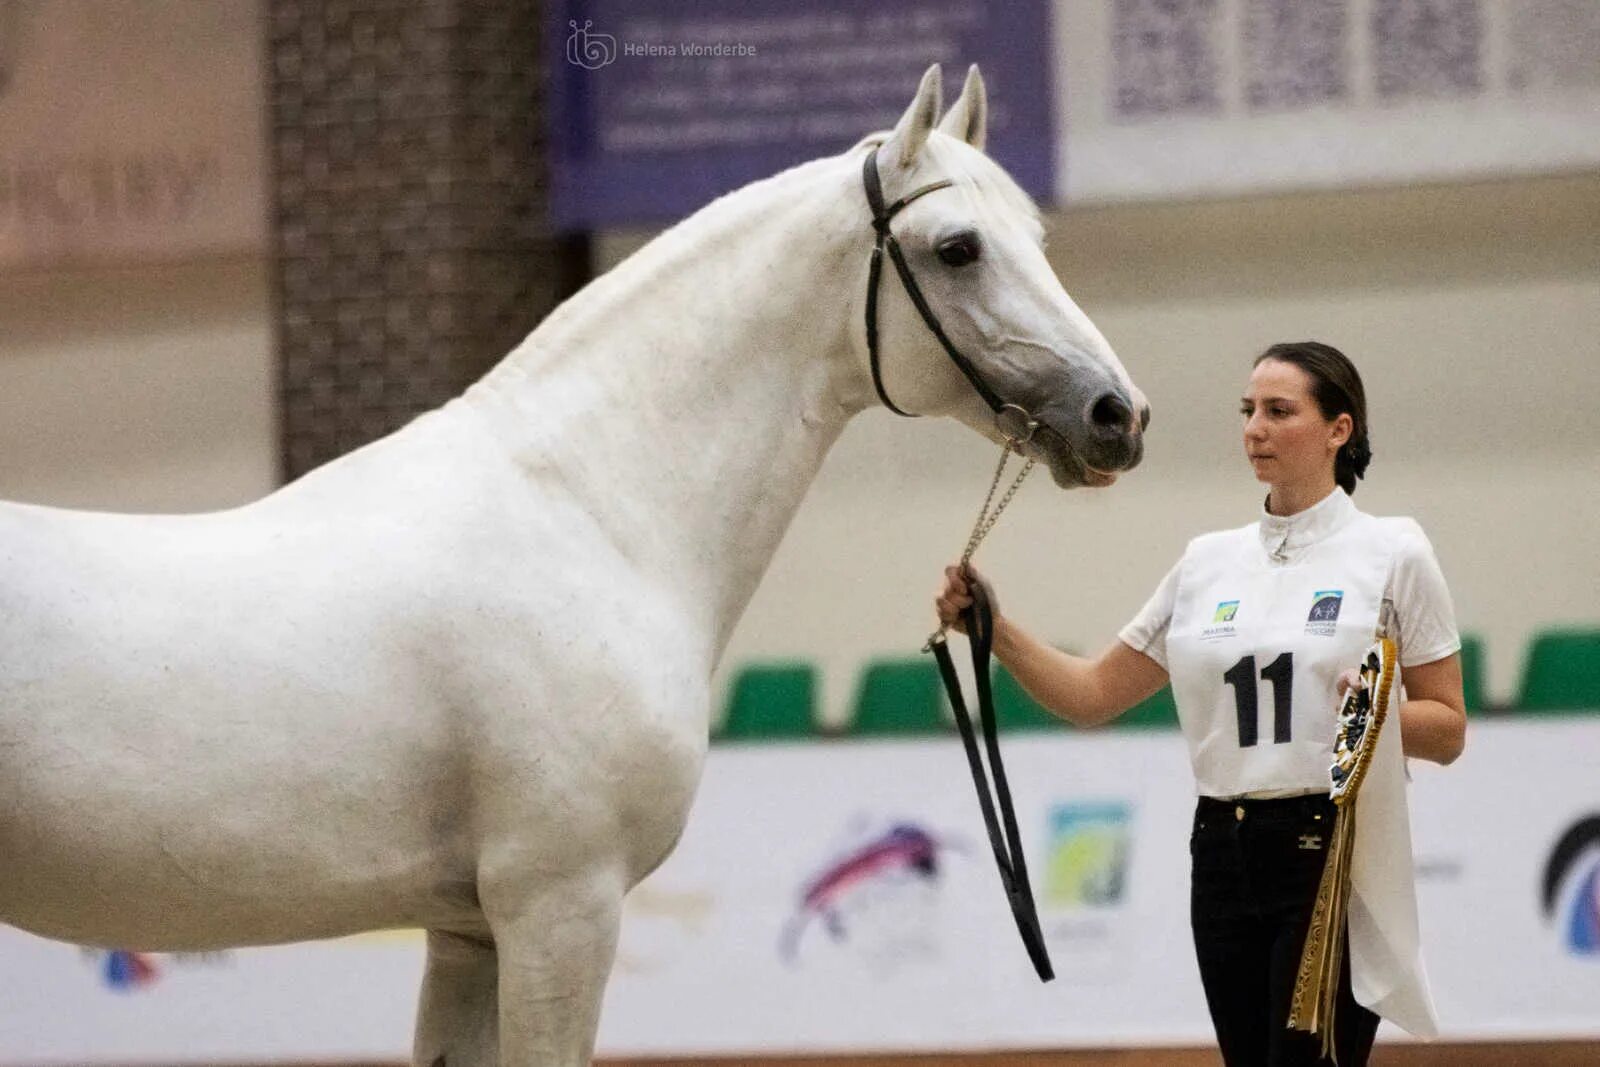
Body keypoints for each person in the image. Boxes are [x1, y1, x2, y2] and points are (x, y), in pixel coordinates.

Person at [935, 341, 1466, 1067]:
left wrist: (1376, 714)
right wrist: (995, 629)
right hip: (1221, 851)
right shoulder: (1207, 562)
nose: (1255, 428)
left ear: (1338, 429)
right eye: (1249, 410)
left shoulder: (1392, 550)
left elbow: (1448, 728)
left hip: (1330, 846)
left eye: (1280, 411)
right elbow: (1092, 693)